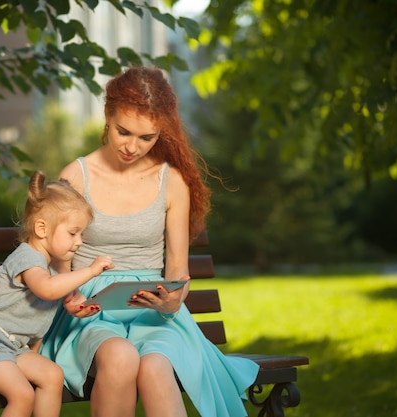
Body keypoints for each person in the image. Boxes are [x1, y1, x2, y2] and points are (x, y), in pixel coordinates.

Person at [40, 67, 259, 417]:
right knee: (121, 356)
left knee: (156, 367)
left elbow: (177, 269)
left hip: (154, 314)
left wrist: (173, 301)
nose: (132, 147)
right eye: (123, 132)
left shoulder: (170, 182)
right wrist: (70, 298)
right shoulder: (75, 177)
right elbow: (58, 267)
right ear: (107, 115)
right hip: (91, 315)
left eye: (147, 138)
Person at [0, 171, 114, 417]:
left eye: (81, 234)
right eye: (73, 233)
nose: (79, 241)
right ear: (41, 228)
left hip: (11, 346)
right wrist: (91, 270)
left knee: (52, 375)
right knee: (23, 395)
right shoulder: (28, 258)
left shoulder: (49, 266)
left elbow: (38, 317)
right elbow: (47, 290)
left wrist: (76, 302)